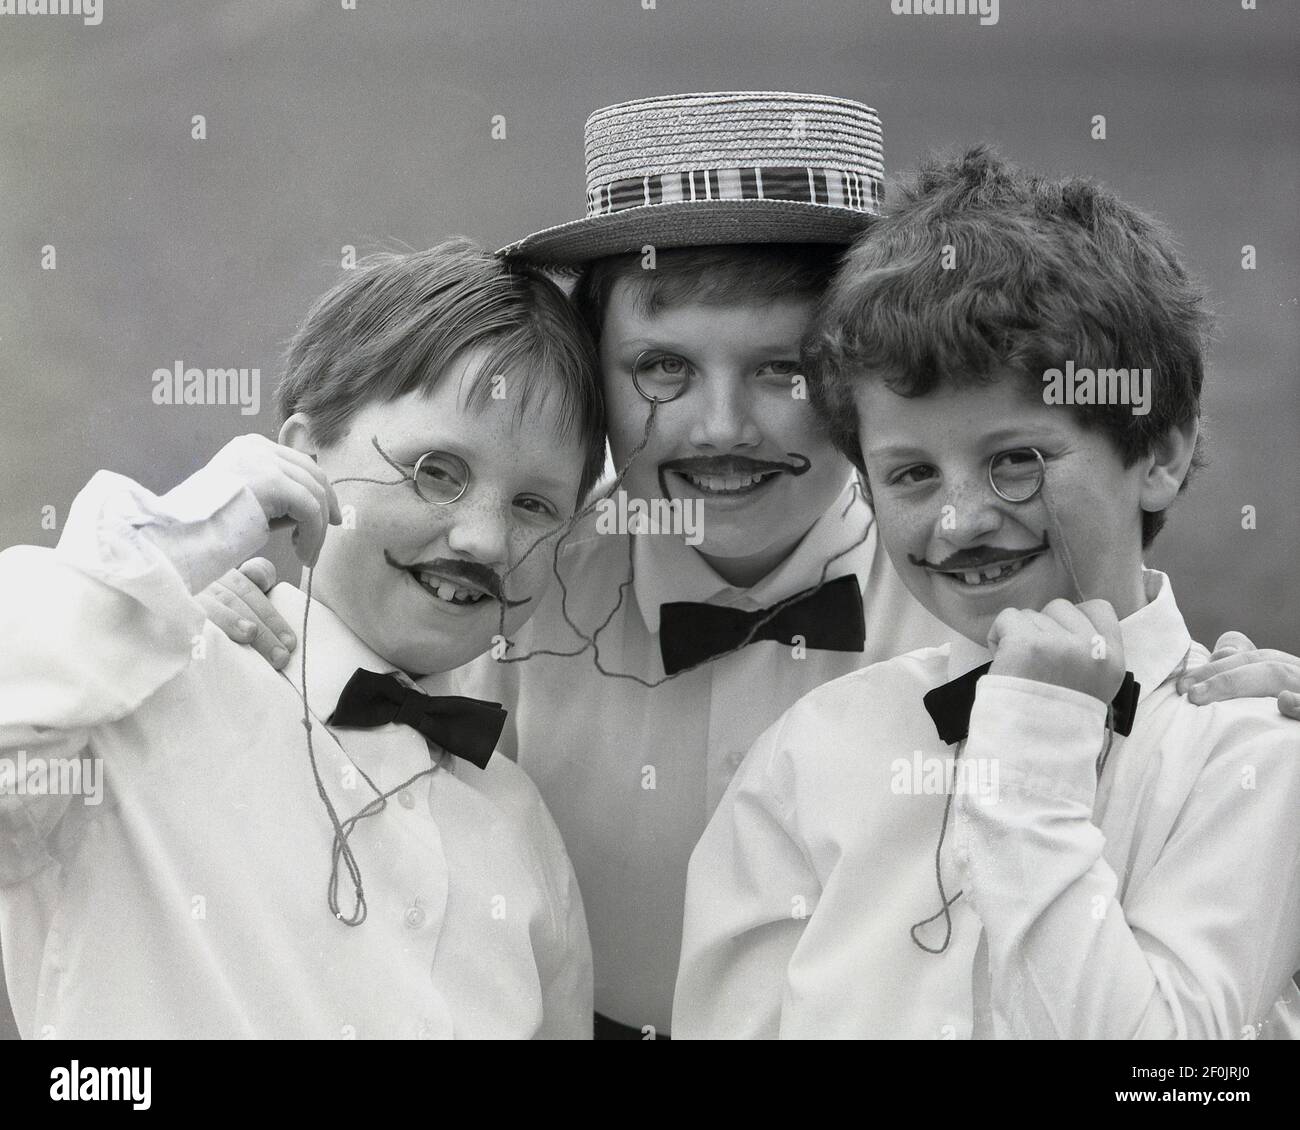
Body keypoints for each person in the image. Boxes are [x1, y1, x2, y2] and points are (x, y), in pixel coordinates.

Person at [201, 93, 1300, 1039]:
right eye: (661, 367)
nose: (718, 426)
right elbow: (343, 676)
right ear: (598, 376)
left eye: (780, 365)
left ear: (863, 375)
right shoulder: (509, 570)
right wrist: (216, 622)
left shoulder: (981, 594)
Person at [672, 149, 1300, 1039]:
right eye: (912, 474)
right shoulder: (813, 754)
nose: (960, 521)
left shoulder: (1253, 756)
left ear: (1156, 453)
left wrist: (1031, 766)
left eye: (1017, 460)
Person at [0, 240, 603, 1038]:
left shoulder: (519, 827)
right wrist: (179, 549)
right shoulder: (133, 703)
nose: (485, 541)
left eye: (535, 506)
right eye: (437, 470)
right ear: (302, 453)